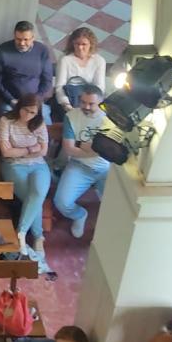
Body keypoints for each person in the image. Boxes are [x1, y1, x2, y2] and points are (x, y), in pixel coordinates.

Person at [0, 95, 53, 270]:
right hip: (13, 166)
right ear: (19, 107)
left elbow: (43, 151)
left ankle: (21, 232)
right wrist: (30, 149)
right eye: (25, 110)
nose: (27, 115)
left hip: (38, 165)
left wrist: (20, 151)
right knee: (33, 197)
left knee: (37, 193)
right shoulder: (7, 120)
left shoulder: (39, 124)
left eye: (32, 112)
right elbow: (6, 152)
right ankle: (38, 237)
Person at [54, 83, 110, 239]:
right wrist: (98, 150)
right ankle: (79, 215)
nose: (86, 106)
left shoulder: (110, 117)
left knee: (115, 203)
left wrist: (85, 148)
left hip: (107, 168)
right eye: (83, 102)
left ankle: (107, 227)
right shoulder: (71, 117)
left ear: (100, 101)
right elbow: (69, 149)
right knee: (62, 202)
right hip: (80, 166)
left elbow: (114, 150)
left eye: (91, 103)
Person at [0, 21, 56, 122]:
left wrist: (36, 100)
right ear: (14, 36)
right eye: (18, 39)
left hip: (35, 101)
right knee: (6, 123)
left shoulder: (42, 50)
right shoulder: (3, 50)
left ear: (33, 38)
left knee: (45, 123)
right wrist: (10, 99)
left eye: (26, 39)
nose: (22, 43)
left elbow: (47, 80)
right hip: (11, 101)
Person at [57, 26, 107, 111]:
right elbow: (60, 87)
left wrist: (91, 105)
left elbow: (99, 87)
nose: (80, 47)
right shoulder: (65, 60)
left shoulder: (99, 61)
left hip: (91, 104)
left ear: (91, 44)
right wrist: (67, 106)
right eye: (77, 44)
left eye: (84, 44)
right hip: (69, 103)